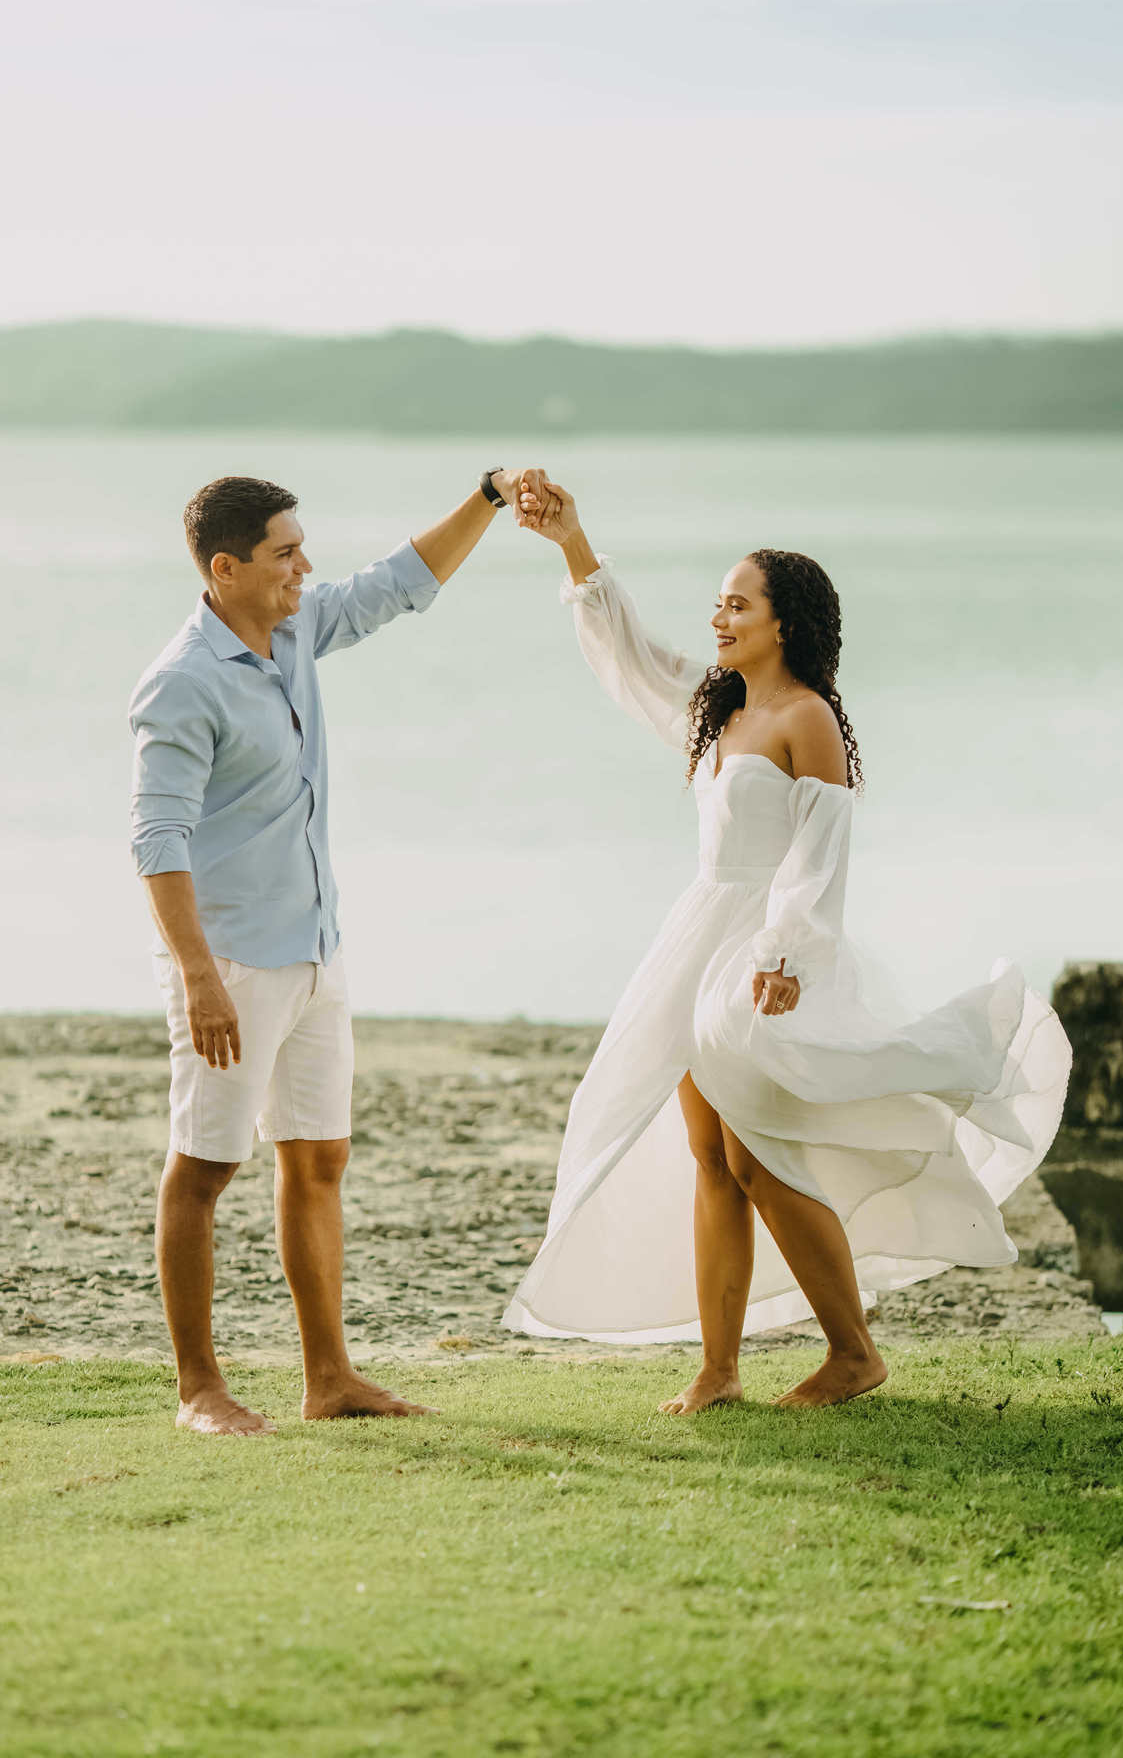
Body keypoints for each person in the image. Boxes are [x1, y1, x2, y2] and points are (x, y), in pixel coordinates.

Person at [503, 481, 1071, 1412]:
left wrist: (787, 957)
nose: (719, 615)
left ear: (784, 624)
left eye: (739, 603)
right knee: (715, 1158)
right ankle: (718, 1371)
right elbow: (628, 653)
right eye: (719, 602)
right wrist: (571, 541)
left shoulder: (806, 719)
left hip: (763, 959)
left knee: (761, 1156)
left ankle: (853, 1353)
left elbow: (820, 857)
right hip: (698, 940)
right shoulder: (714, 708)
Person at [130, 467, 546, 1435]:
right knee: (203, 1167)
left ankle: (330, 1379)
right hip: (230, 960)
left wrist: (486, 499)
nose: (304, 568)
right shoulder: (182, 681)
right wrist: (198, 979)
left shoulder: (293, 631)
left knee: (317, 1159)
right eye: (285, 554)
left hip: (316, 947)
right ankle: (199, 1389)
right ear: (226, 567)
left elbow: (396, 582)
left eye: (301, 548)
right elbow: (157, 841)